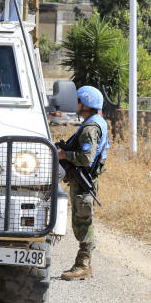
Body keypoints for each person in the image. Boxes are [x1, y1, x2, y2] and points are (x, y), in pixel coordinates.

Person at [57, 86, 109, 281]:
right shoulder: (95, 122)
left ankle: (83, 266)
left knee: (83, 223)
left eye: (77, 101)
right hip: (82, 179)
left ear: (85, 105)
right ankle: (84, 264)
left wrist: (64, 154)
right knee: (82, 221)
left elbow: (86, 158)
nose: (75, 105)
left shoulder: (90, 128)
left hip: (83, 180)